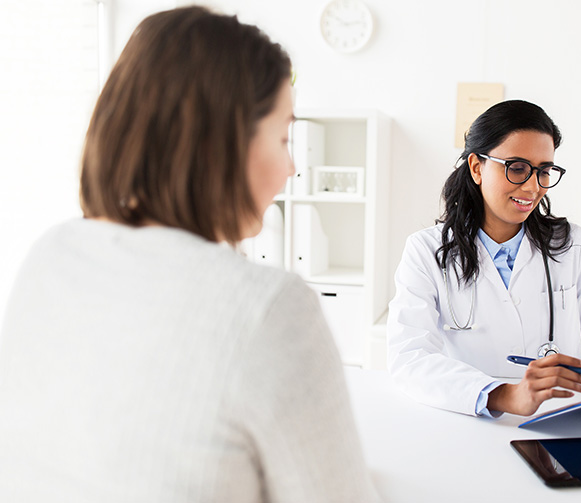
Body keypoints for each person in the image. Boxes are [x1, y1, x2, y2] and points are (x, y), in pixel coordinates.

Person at [0, 7, 379, 502]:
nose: (290, 167)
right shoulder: (269, 309)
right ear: (219, 141)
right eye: (284, 137)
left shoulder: (51, 254)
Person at [387, 100, 581, 418]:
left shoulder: (571, 244)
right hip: (474, 424)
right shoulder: (427, 252)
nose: (533, 186)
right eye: (517, 168)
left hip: (564, 421)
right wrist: (504, 396)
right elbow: (409, 357)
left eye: (544, 171)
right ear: (477, 167)